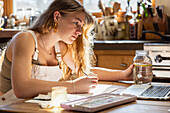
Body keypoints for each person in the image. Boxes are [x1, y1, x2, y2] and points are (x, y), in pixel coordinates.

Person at [0, 0, 133, 103]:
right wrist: (73, 86)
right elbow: (21, 88)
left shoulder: (60, 48)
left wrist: (123, 75)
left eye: (81, 26)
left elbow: (84, 71)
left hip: (32, 107)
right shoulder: (25, 39)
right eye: (76, 23)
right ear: (57, 17)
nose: (80, 32)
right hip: (7, 107)